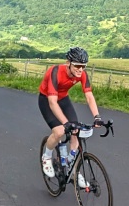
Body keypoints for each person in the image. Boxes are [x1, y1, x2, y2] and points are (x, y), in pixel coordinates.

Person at [39, 47, 101, 186]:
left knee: (76, 131)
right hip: (47, 100)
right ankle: (47, 156)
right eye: (77, 65)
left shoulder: (82, 74)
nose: (80, 69)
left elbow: (89, 96)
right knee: (60, 131)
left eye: (83, 66)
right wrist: (65, 123)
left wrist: (97, 117)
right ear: (68, 63)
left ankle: (73, 171)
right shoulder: (55, 72)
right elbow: (52, 102)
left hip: (63, 99)